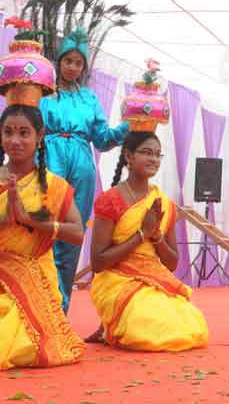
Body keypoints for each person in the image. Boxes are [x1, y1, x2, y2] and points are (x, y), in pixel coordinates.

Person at [87, 131, 209, 351]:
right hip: (117, 279)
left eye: (157, 154)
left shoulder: (164, 203)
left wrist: (156, 237)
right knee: (144, 328)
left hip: (154, 280)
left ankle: (110, 328)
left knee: (190, 327)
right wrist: (141, 235)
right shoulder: (110, 200)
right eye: (146, 152)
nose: (153, 159)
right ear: (129, 156)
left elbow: (172, 264)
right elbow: (97, 262)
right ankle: (110, 325)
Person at [41, 29, 129, 312]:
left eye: (78, 63)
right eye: (68, 60)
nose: (72, 67)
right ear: (59, 61)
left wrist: (129, 125)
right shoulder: (43, 92)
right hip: (49, 161)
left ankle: (61, 309)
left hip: (82, 165)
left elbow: (102, 139)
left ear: (83, 67)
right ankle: (39, 305)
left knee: (72, 235)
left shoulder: (90, 99)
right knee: (45, 232)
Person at [0, 104, 85, 369]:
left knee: (19, 340)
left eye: (24, 133)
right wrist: (5, 220)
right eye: (8, 132)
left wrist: (32, 221)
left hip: (33, 277)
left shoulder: (55, 186)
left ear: (39, 136)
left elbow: (77, 234)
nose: (15, 140)